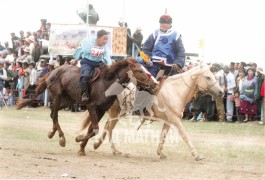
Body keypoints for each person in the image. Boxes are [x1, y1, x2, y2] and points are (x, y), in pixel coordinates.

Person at [142, 14, 185, 79]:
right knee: (147, 80)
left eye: (165, 23)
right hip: (154, 63)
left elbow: (181, 52)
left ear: (170, 24)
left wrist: (178, 63)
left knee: (172, 82)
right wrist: (148, 59)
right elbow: (146, 48)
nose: (162, 25)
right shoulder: (154, 33)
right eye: (161, 23)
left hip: (171, 65)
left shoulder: (176, 35)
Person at [78, 29, 112, 102]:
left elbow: (107, 56)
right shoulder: (89, 43)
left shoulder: (105, 47)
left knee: (108, 75)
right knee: (85, 75)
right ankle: (84, 94)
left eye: (107, 39)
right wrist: (75, 59)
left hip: (98, 63)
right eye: (104, 39)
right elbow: (81, 51)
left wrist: (109, 64)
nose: (105, 41)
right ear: (98, 38)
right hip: (87, 62)